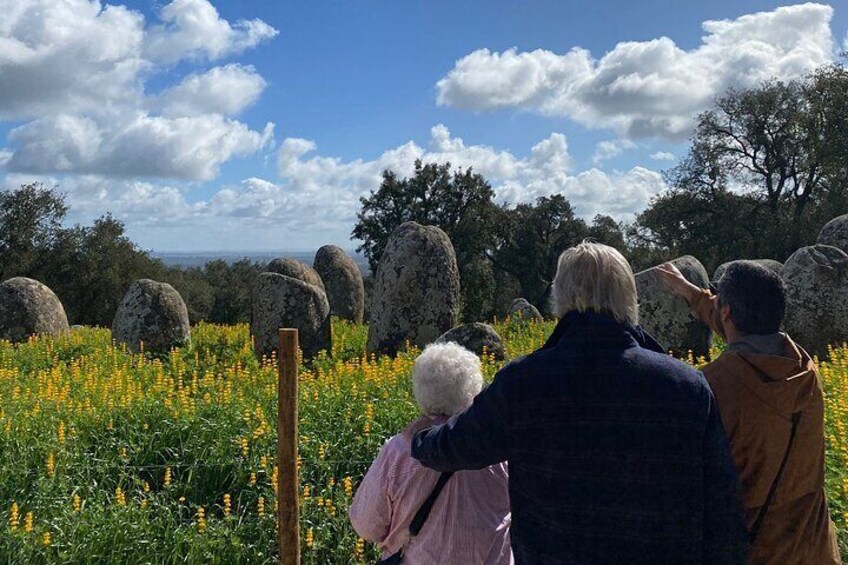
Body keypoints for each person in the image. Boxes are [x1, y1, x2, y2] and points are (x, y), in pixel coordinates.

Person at [411, 241, 749, 564]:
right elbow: (722, 508)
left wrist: (420, 437)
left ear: (561, 298)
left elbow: (456, 446)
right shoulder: (687, 387)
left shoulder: (523, 383)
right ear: (629, 298)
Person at [657, 260, 841, 564]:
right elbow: (743, 333)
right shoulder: (805, 371)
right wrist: (691, 293)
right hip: (815, 549)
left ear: (726, 312)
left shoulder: (712, 388)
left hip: (758, 552)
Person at [349, 341, 512, 564]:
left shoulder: (398, 451)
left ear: (420, 389)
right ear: (474, 389)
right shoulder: (500, 451)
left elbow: (366, 525)